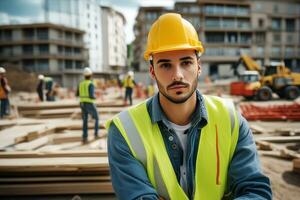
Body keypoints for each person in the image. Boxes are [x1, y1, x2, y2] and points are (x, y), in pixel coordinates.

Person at [106, 13, 272, 199]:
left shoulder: (231, 120)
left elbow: (256, 191)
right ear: (152, 71)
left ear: (198, 66)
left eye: (186, 62)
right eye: (166, 65)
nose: (177, 75)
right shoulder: (125, 131)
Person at [77, 67, 99, 144]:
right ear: (90, 75)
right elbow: (91, 96)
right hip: (89, 103)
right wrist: (96, 96)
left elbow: (77, 94)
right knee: (96, 118)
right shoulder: (90, 83)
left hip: (82, 103)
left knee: (85, 120)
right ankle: (96, 134)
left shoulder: (81, 84)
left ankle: (84, 137)